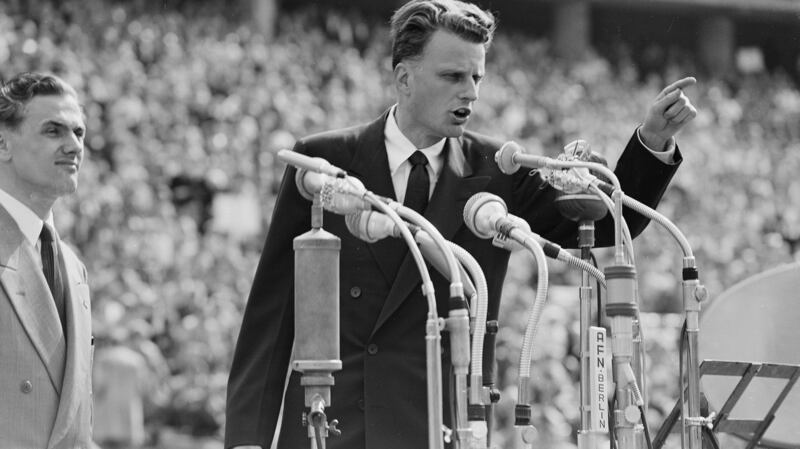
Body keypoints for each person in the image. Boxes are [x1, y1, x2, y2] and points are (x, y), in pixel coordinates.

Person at [225, 1, 697, 448]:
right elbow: (271, 314)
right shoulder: (323, 161)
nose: (469, 92)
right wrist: (247, 438)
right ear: (404, 78)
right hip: (333, 428)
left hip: (444, 425)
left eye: (477, 77)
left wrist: (651, 142)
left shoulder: (499, 167)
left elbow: (607, 225)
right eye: (452, 76)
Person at [0, 72, 93, 448]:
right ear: (3, 144)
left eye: (79, 133)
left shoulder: (74, 268)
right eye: (53, 131)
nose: (73, 146)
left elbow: (74, 430)